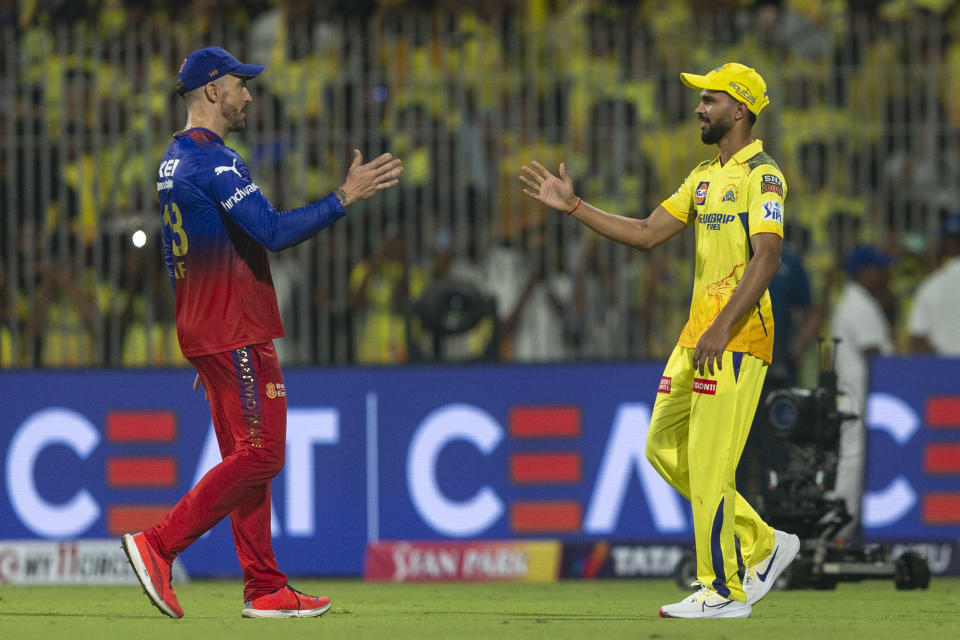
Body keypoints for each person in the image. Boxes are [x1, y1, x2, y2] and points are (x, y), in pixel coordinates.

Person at [121, 46, 402, 620]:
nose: (249, 95)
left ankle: (265, 587)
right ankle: (159, 544)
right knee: (264, 453)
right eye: (240, 85)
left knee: (247, 458)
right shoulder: (214, 162)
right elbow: (271, 231)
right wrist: (344, 197)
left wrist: (207, 350)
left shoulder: (173, 159)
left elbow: (190, 250)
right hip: (234, 328)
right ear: (212, 91)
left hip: (207, 327)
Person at [521, 62, 799, 619]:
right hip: (696, 338)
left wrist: (723, 326)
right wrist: (574, 207)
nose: (699, 107)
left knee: (709, 463)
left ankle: (723, 592)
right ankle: (765, 544)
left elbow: (767, 258)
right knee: (659, 447)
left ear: (738, 110)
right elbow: (647, 234)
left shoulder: (762, 176)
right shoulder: (703, 176)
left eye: (710, 99)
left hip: (736, 341)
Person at [829, 245, 895, 539]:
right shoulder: (859, 305)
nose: (883, 274)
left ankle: (842, 526)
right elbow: (876, 353)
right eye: (878, 268)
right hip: (856, 395)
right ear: (863, 272)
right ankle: (839, 528)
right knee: (852, 460)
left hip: (855, 393)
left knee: (853, 459)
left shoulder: (857, 302)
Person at [908, 211, 960, 355]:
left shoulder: (930, 286)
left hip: (946, 372)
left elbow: (917, 340)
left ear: (948, 243)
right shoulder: (931, 284)